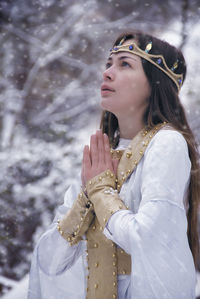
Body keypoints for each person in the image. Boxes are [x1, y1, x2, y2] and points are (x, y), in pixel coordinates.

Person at [28, 31, 200, 299]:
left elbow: (148, 240)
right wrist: (86, 198)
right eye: (109, 63)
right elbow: (49, 262)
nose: (107, 73)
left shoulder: (168, 144)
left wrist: (100, 193)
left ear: (156, 83)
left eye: (124, 64)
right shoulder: (101, 157)